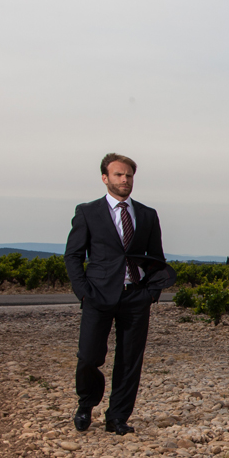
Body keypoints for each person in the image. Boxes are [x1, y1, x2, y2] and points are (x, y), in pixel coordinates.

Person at [65, 153, 176, 435]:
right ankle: (86, 403)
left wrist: (151, 293)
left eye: (129, 175)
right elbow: (73, 255)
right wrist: (83, 292)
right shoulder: (87, 212)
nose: (125, 179)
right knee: (89, 356)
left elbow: (156, 258)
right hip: (97, 296)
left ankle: (117, 417)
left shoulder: (148, 215)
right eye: (118, 175)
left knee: (129, 361)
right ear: (105, 178)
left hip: (136, 297)